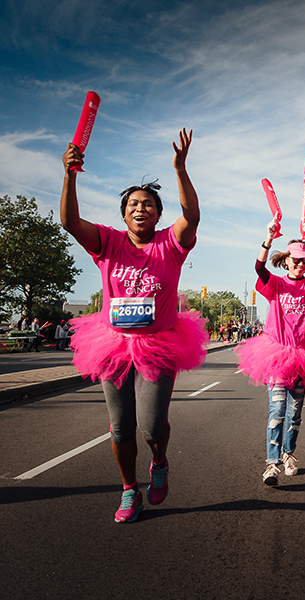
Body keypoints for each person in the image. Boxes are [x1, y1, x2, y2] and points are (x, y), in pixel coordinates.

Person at [60, 128, 208, 523]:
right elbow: (70, 222)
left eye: (148, 205)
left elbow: (192, 215)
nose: (141, 209)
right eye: (133, 205)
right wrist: (70, 175)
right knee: (121, 428)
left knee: (151, 424)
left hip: (158, 343)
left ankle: (159, 461)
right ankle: (129, 491)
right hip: (112, 344)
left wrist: (179, 169)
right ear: (124, 214)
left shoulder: (170, 244)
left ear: (158, 214)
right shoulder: (108, 242)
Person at [235, 220, 305, 486]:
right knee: (277, 410)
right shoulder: (274, 284)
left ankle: (289, 454)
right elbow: (259, 267)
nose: (301, 265)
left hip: (303, 357)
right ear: (287, 261)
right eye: (297, 261)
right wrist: (268, 237)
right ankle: (271, 464)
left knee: (295, 413)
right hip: (276, 356)